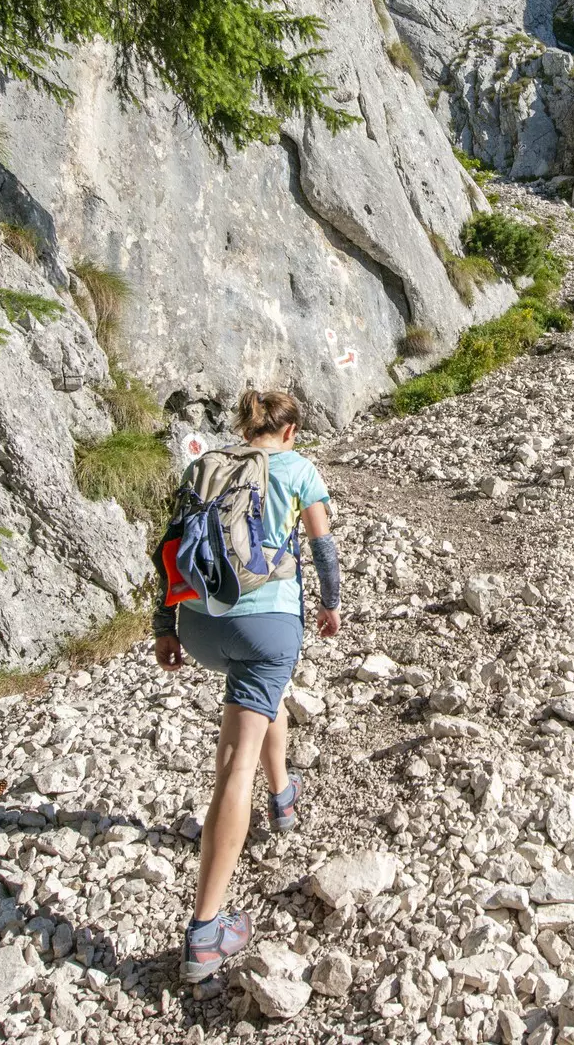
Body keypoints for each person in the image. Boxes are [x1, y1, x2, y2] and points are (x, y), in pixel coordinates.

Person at [153, 388, 342, 984]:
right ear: (290, 431)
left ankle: (283, 799)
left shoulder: (206, 465)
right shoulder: (299, 467)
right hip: (266, 624)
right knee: (235, 762)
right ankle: (206, 932)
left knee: (266, 695)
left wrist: (165, 627)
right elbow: (323, 548)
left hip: (201, 625)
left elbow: (168, 548)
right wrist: (332, 605)